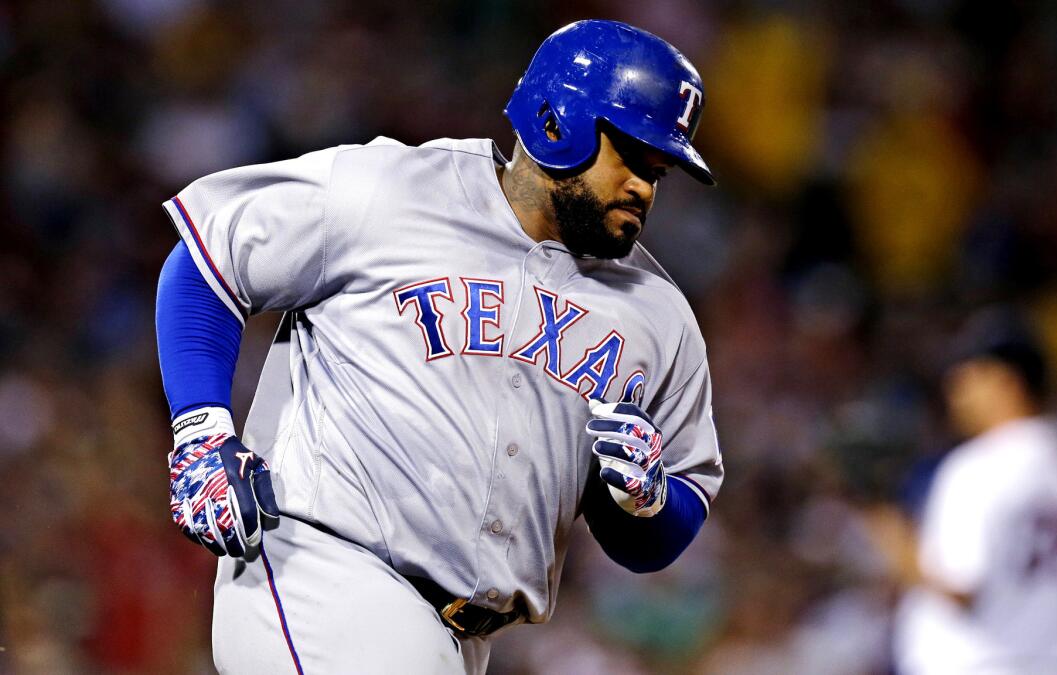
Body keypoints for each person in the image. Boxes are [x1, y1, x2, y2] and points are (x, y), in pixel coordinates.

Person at [155, 20, 722, 674]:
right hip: (321, 572)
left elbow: (659, 533)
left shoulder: (658, 315)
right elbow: (210, 259)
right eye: (630, 155)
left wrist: (647, 502)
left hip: (461, 640)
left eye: (659, 171)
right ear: (556, 119)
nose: (644, 188)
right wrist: (201, 427)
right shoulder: (392, 190)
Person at [867, 310, 1057, 674]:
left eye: (968, 378)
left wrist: (878, 515)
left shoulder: (981, 466)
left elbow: (958, 586)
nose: (955, 394)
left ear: (1007, 381)